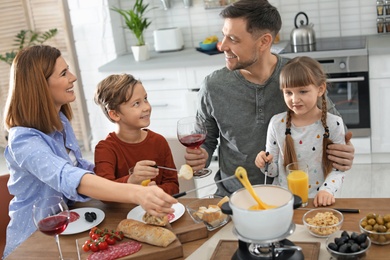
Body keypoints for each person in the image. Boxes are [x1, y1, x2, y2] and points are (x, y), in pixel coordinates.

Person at [2, 45, 177, 258]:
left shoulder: (60, 122)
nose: (73, 77)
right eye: (64, 73)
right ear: (40, 85)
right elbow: (68, 176)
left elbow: (80, 167)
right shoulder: (23, 140)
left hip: (67, 224)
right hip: (33, 241)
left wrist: (127, 178)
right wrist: (136, 192)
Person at [184, 0, 355, 197]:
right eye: (224, 36)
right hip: (232, 196)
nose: (222, 46)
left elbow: (333, 126)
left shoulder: (298, 78)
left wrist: (345, 151)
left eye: (233, 39)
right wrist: (201, 157)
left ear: (264, 41)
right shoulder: (213, 86)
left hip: (291, 196)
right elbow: (205, 140)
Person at [255, 56, 346, 207]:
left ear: (320, 89)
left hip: (317, 201)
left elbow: (338, 169)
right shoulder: (277, 124)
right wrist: (264, 163)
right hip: (283, 201)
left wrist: (327, 191)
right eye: (288, 92)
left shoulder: (333, 124)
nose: (294, 99)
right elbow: (273, 172)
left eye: (303, 91)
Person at [94, 74, 179, 195]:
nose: (146, 107)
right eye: (136, 104)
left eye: (145, 99)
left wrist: (156, 190)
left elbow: (173, 185)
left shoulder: (159, 141)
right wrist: (131, 181)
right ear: (115, 114)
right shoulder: (105, 149)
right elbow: (103, 192)